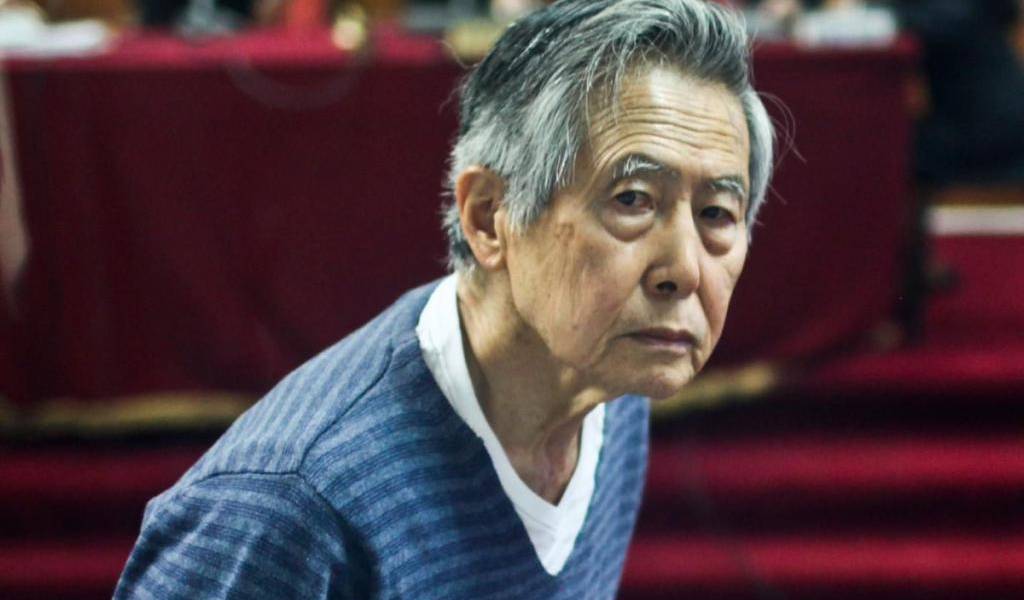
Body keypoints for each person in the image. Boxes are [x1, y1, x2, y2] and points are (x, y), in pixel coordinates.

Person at [114, 0, 775, 597]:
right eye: (632, 200)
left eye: (717, 213)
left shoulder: (612, 388)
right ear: (488, 217)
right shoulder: (287, 511)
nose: (684, 270)